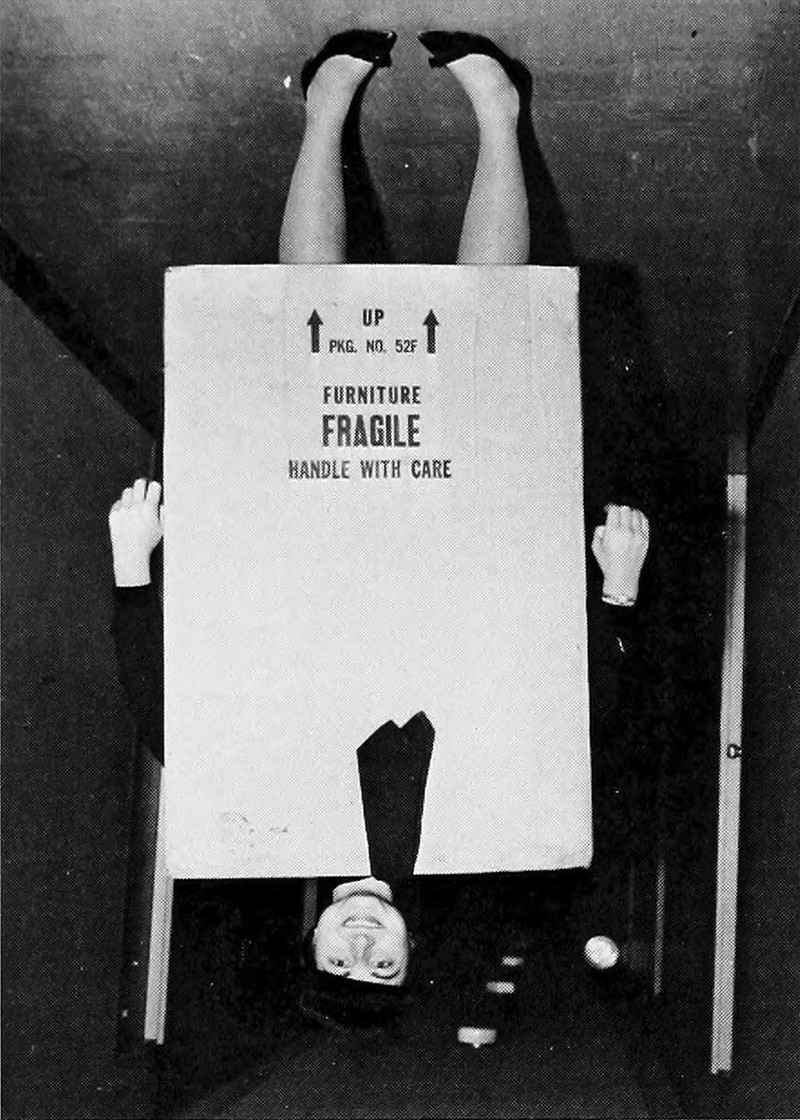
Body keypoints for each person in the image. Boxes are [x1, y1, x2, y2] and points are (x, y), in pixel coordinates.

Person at [109, 29, 652, 1025]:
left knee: (311, 332)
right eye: (382, 967)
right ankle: (498, 115)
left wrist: (133, 570)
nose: (361, 945)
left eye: (339, 960)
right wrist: (616, 588)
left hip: (324, 535)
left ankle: (325, 109)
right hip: (462, 546)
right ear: (411, 952)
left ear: (311, 939)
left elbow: (162, 709)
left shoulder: (252, 812)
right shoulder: (489, 834)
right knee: (486, 340)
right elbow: (585, 722)